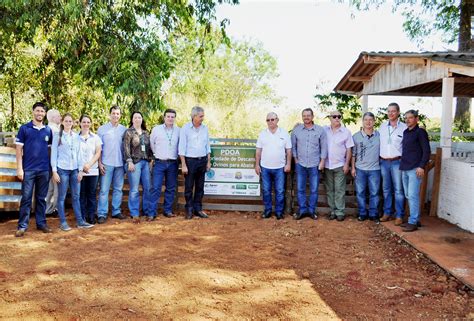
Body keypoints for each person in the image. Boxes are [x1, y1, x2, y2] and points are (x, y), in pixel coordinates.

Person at [15, 102, 53, 237]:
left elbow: (49, 151)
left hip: (44, 170)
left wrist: (50, 169)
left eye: (42, 111)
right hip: (28, 170)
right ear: (33, 112)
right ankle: (22, 226)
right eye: (38, 111)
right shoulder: (24, 129)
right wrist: (19, 168)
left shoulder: (48, 130)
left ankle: (41, 223)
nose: (40, 113)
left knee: (41, 198)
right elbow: (18, 150)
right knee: (26, 198)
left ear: (45, 113)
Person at [51, 113, 94, 231]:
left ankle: (80, 221)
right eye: (66, 121)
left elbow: (79, 154)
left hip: (75, 170)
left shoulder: (76, 136)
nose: (68, 123)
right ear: (62, 122)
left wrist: (80, 170)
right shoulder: (57, 136)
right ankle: (63, 222)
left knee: (76, 196)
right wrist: (54, 171)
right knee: (62, 197)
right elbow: (54, 154)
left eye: (70, 121)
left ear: (73, 123)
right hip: (62, 170)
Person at [291, 108, 327, 220]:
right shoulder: (296, 130)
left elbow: (324, 147)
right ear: (302, 117)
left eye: (308, 115)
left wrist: (322, 161)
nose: (306, 117)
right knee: (300, 188)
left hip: (314, 164)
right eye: (304, 115)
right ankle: (302, 210)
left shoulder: (320, 130)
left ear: (312, 116)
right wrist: (295, 159)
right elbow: (293, 146)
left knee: (314, 189)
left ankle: (311, 211)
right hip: (300, 164)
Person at [255, 112, 292, 220]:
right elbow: (258, 151)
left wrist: (288, 164)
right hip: (265, 167)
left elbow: (289, 151)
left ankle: (279, 212)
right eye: (268, 120)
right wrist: (257, 165)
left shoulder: (284, 133)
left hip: (280, 168)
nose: (270, 122)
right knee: (266, 190)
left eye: (272, 119)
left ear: (277, 120)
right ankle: (267, 211)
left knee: (280, 191)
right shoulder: (262, 134)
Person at [399, 110, 431, 232]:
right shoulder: (406, 132)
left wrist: (421, 166)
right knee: (408, 194)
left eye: (410, 118)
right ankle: (415, 219)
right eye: (406, 118)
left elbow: (426, 150)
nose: (407, 120)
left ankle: (412, 222)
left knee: (412, 195)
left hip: (415, 169)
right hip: (404, 168)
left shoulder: (420, 132)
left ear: (416, 119)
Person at [178, 106, 211, 220]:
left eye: (203, 116)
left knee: (200, 187)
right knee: (188, 187)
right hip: (190, 161)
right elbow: (181, 148)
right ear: (194, 116)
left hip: (202, 160)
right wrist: (183, 164)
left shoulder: (205, 128)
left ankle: (198, 209)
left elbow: (207, 146)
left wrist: (208, 161)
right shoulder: (185, 128)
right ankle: (189, 209)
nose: (203, 118)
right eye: (201, 116)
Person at [97, 106, 127, 223]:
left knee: (118, 189)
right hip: (106, 163)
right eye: (113, 113)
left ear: (120, 115)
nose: (115, 115)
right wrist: (99, 163)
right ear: (109, 115)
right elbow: (98, 148)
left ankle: (116, 211)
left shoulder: (123, 129)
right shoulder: (102, 129)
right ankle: (102, 213)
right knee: (104, 190)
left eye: (118, 114)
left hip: (119, 164)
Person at [379, 103, 407, 226]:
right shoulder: (382, 127)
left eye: (393, 111)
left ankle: (399, 215)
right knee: (386, 189)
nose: (391, 113)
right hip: (384, 162)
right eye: (389, 111)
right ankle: (387, 212)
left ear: (398, 112)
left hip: (397, 162)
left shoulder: (404, 127)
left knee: (398, 190)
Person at [123, 111, 154, 223]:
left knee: (148, 188)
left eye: (139, 117)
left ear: (142, 119)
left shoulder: (146, 133)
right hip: (134, 164)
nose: (137, 119)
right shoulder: (128, 132)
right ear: (132, 119)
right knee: (134, 189)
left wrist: (151, 160)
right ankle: (134, 213)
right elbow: (125, 148)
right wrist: (129, 161)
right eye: (135, 117)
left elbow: (149, 148)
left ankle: (146, 211)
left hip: (145, 163)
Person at [324, 110, 354, 222]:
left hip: (340, 165)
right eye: (334, 116)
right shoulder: (324, 130)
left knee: (340, 190)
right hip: (327, 165)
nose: (337, 118)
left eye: (339, 116)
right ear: (330, 118)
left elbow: (349, 149)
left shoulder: (346, 132)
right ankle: (332, 211)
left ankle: (340, 212)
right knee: (330, 190)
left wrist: (347, 164)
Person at [351, 112, 381, 223]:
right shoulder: (356, 136)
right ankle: (362, 213)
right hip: (360, 169)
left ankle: (373, 214)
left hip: (375, 169)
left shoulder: (379, 135)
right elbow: (353, 154)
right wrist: (353, 168)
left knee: (374, 193)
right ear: (362, 121)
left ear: (374, 121)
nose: (368, 122)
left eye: (370, 120)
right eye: (366, 120)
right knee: (360, 192)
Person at [150, 109, 180, 219]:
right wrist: (156, 154)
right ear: (164, 117)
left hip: (173, 163)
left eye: (173, 117)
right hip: (159, 162)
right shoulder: (156, 129)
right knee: (156, 188)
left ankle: (167, 210)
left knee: (171, 188)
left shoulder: (178, 130)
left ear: (175, 118)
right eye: (168, 116)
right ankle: (152, 212)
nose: (170, 119)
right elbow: (152, 144)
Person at [78, 115, 102, 224]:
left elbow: (98, 152)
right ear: (80, 123)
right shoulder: (75, 137)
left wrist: (89, 164)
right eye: (84, 122)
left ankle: (91, 216)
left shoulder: (96, 137)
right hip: (80, 171)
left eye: (88, 122)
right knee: (81, 194)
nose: (86, 124)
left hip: (92, 170)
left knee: (91, 194)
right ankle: (82, 217)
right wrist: (82, 167)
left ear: (91, 124)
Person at [45, 109, 61, 216]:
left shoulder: (48, 128)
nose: (60, 117)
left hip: (48, 163)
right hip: (53, 163)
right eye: (59, 116)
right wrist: (53, 166)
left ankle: (48, 209)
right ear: (53, 118)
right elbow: (50, 149)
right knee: (55, 188)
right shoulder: (53, 130)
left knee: (50, 187)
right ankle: (52, 209)